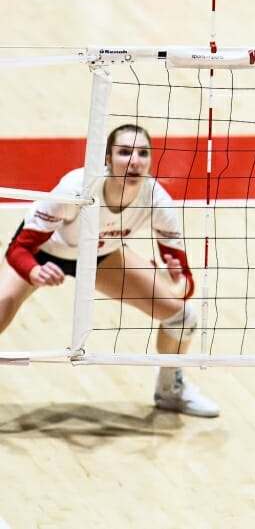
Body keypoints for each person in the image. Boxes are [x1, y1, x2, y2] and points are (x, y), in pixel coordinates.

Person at [0, 123, 219, 417]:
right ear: (106, 158)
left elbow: (185, 280)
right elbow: (18, 249)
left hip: (100, 257)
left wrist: (178, 280)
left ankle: (170, 390)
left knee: (182, 316)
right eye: (125, 152)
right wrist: (33, 272)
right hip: (43, 253)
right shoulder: (77, 187)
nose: (134, 161)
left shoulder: (157, 200)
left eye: (142, 153)